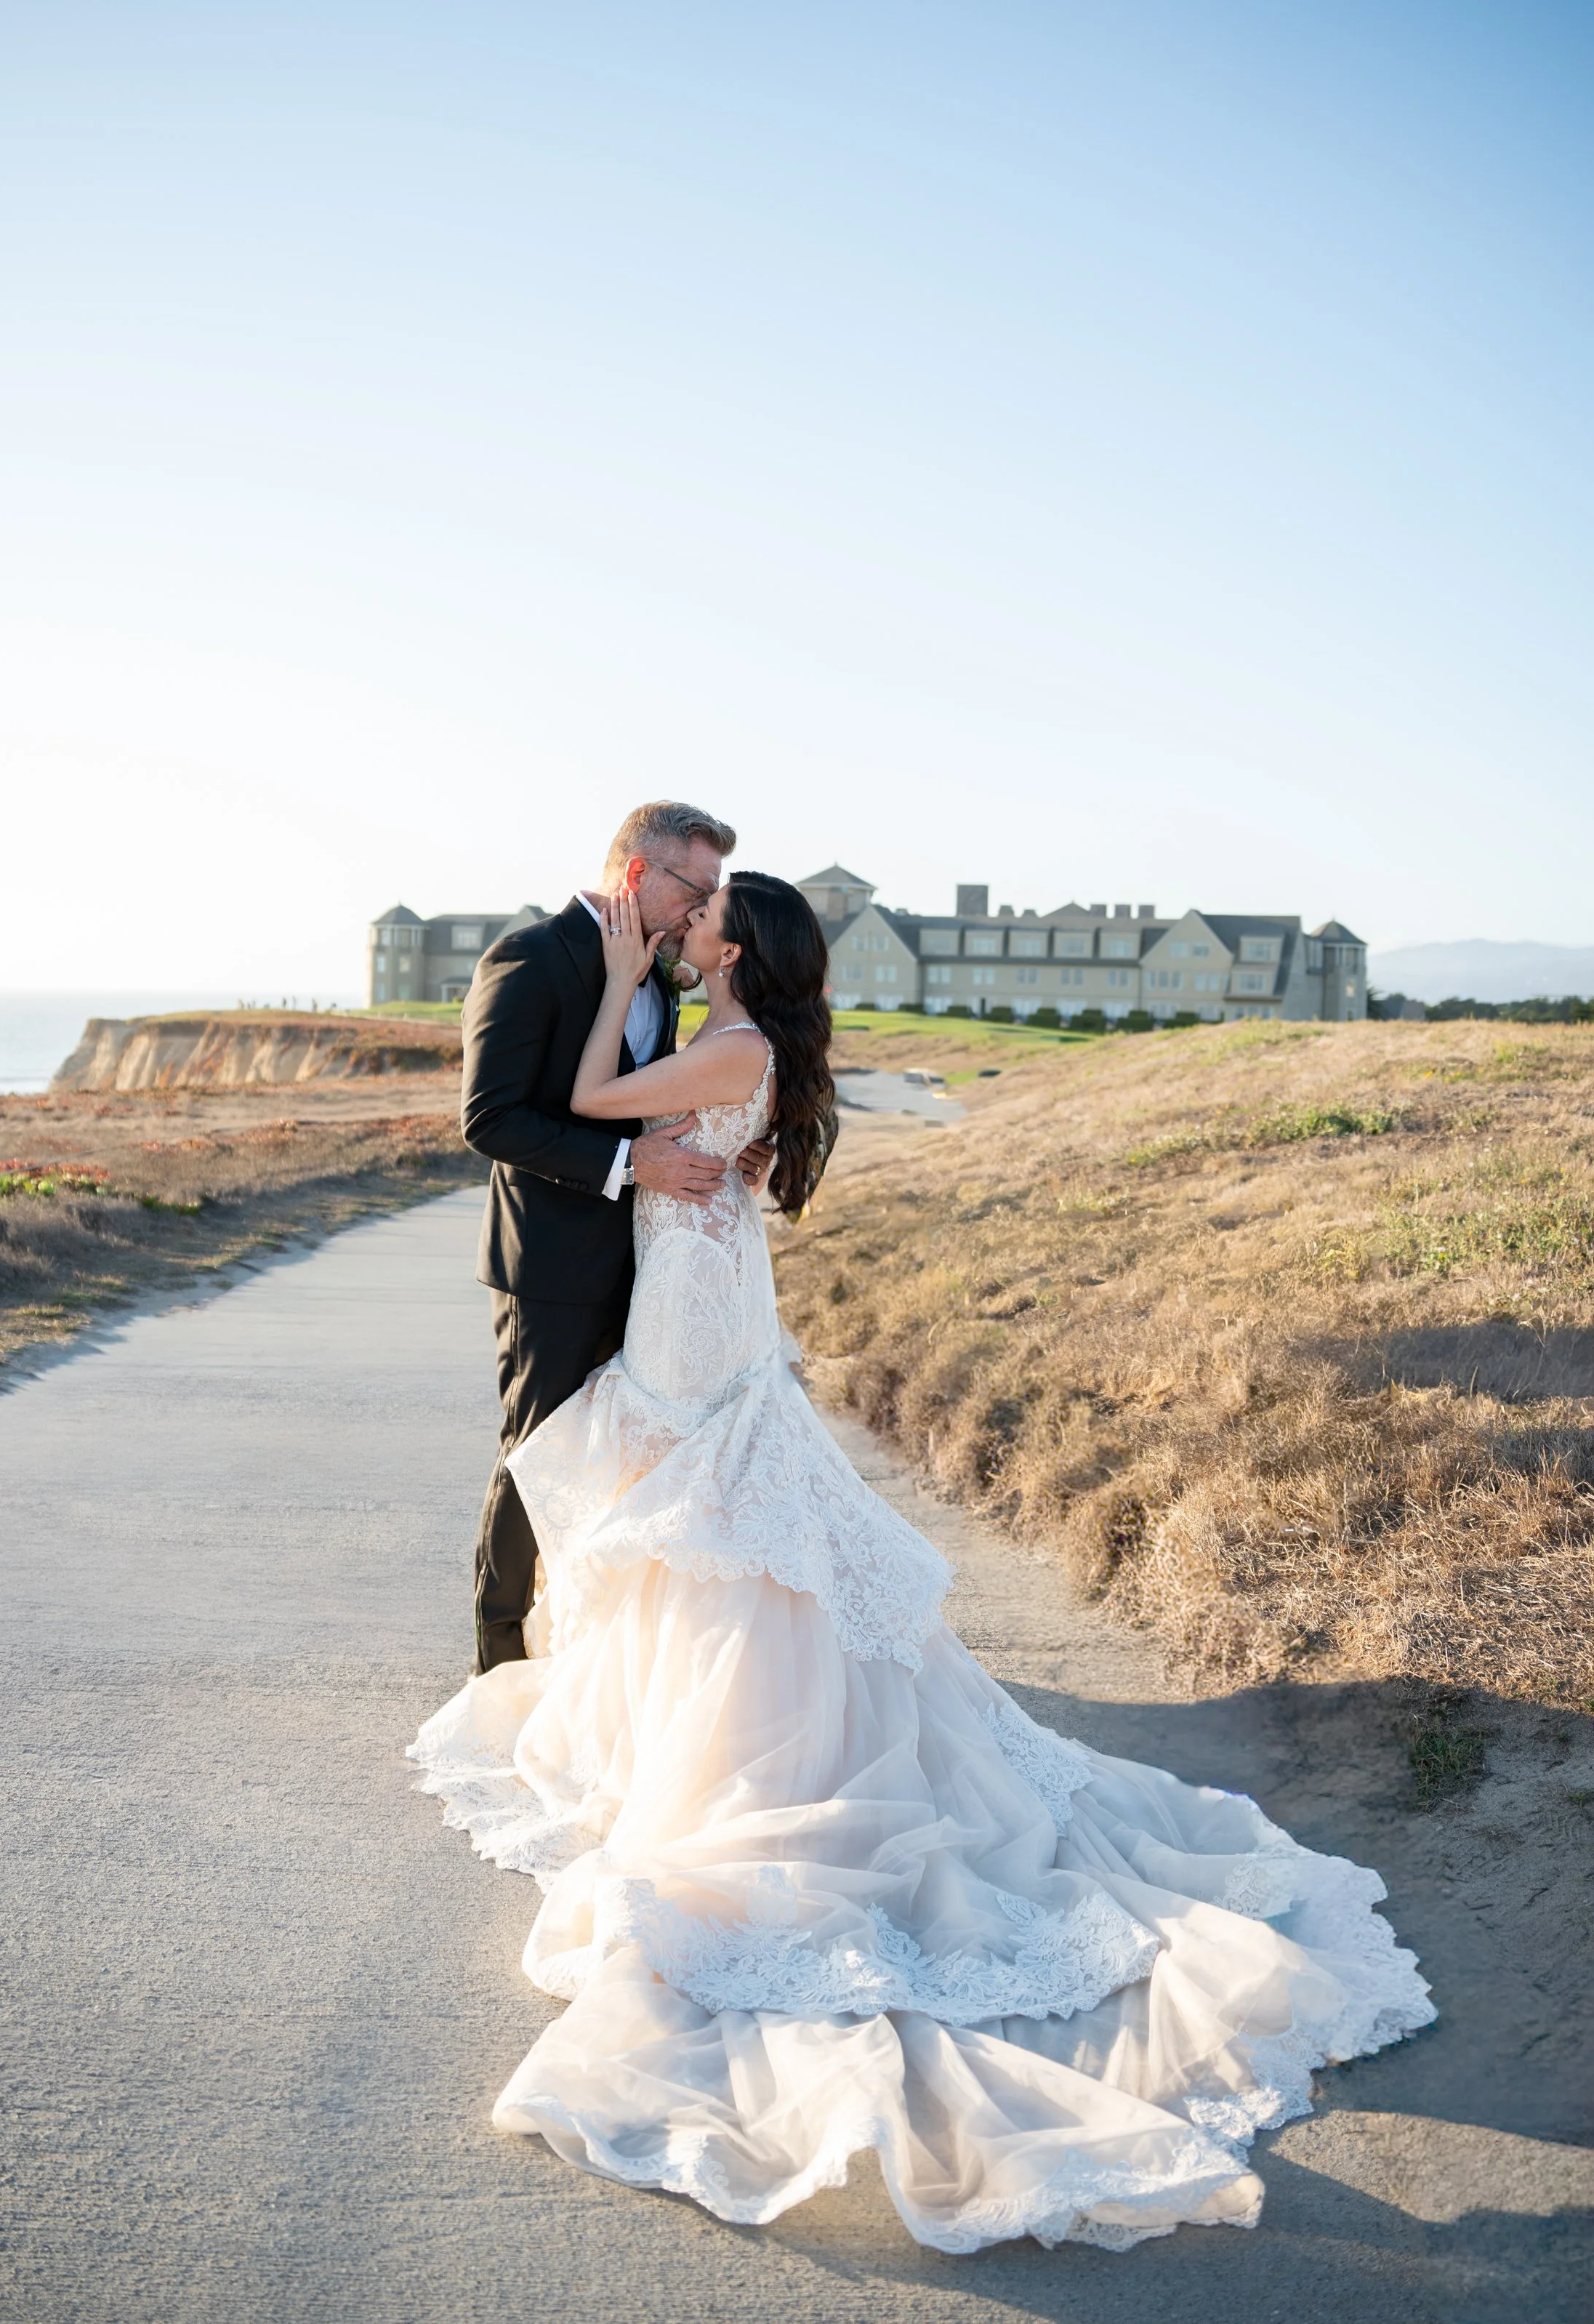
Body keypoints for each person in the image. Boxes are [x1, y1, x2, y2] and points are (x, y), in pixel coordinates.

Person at [411, 868, 1434, 2253]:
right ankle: (693, 1715)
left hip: (694, 1303)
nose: (690, 921)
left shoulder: (726, 1041)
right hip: (703, 1280)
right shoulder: (740, 1038)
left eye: (708, 915)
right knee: (700, 1510)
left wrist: (617, 989)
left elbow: (592, 1097)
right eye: (689, 902)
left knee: (702, 1515)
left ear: (736, 948)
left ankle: (737, 1734)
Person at [459, 801, 773, 1673]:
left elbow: (658, 1095)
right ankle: (498, 1660)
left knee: (618, 1465)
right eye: (696, 888)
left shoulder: (660, 972)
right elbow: (490, 1118)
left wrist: (729, 1143)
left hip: (649, 1264)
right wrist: (631, 1163)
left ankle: (592, 1652)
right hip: (552, 1266)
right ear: (639, 874)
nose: (703, 908)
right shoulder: (528, 957)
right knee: (539, 1456)